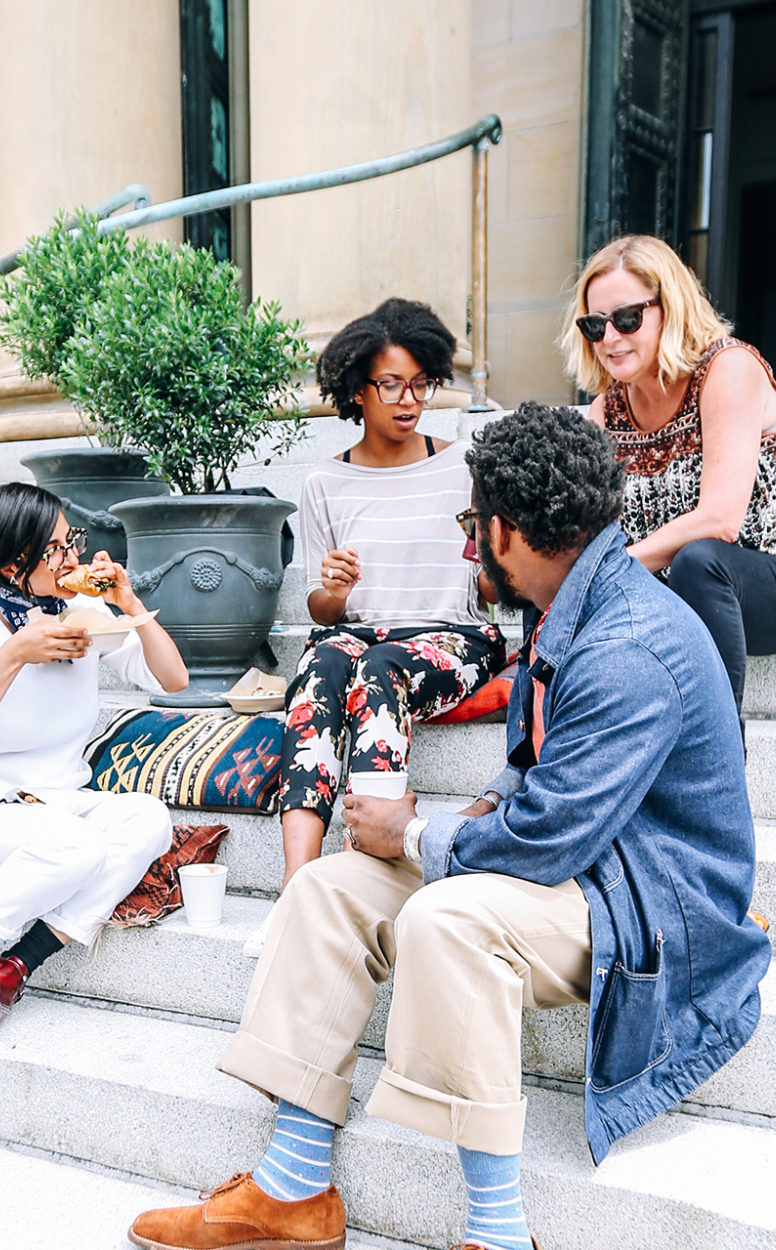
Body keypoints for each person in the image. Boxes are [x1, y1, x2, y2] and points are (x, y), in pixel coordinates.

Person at [127, 403, 770, 1250]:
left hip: (654, 904)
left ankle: (498, 1235)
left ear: (511, 531)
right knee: (330, 888)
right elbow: (539, 766)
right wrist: (474, 807)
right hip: (586, 870)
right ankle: (292, 1188)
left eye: (473, 523)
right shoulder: (567, 603)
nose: (468, 545)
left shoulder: (631, 643)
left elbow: (549, 838)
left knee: (445, 917)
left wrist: (417, 835)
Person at [245, 297, 505, 958]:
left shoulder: (465, 465)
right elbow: (322, 612)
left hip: (452, 636)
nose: (410, 399)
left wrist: (486, 566)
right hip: (362, 636)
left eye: (422, 383)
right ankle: (296, 887)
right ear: (357, 389)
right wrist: (333, 591)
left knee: (382, 666)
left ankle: (372, 854)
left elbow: (496, 586)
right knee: (325, 659)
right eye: (393, 384)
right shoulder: (325, 483)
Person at [0, 482, 189, 1033]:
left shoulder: (81, 614)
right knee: (75, 846)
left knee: (149, 819)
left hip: (60, 806)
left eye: (70, 540)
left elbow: (173, 679)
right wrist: (13, 655)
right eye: (56, 549)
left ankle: (12, 967)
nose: (73, 557)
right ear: (13, 566)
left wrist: (128, 603)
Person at [564, 233, 776, 721]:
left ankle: (719, 756)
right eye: (595, 324)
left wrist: (610, 571)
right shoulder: (604, 413)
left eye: (627, 318)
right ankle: (532, 765)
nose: (610, 338)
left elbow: (720, 520)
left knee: (699, 561)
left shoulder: (727, 369)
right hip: (675, 588)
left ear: (669, 308)